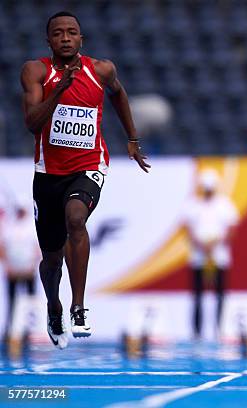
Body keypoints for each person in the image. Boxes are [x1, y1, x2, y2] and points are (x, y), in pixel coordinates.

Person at [20, 11, 150, 349]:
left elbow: (119, 95)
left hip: (89, 165)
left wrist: (132, 139)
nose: (65, 38)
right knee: (50, 260)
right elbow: (32, 123)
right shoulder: (36, 71)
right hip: (48, 174)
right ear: (48, 41)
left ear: (82, 40)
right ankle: (54, 305)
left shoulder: (101, 70)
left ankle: (78, 306)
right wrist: (59, 89)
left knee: (76, 219)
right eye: (58, 33)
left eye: (72, 32)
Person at [183, 170, 238, 341]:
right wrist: (200, 244)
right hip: (198, 255)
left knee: (220, 294)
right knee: (197, 295)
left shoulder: (224, 204)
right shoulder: (193, 204)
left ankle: (220, 329)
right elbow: (187, 228)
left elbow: (231, 228)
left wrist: (215, 244)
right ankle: (197, 332)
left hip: (219, 255)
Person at [1, 203, 40, 341]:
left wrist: (32, 267)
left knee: (30, 302)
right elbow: (3, 248)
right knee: (12, 301)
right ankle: (10, 330)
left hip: (28, 271)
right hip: (12, 271)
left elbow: (37, 250)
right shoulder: (9, 227)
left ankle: (30, 331)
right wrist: (7, 266)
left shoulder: (32, 228)